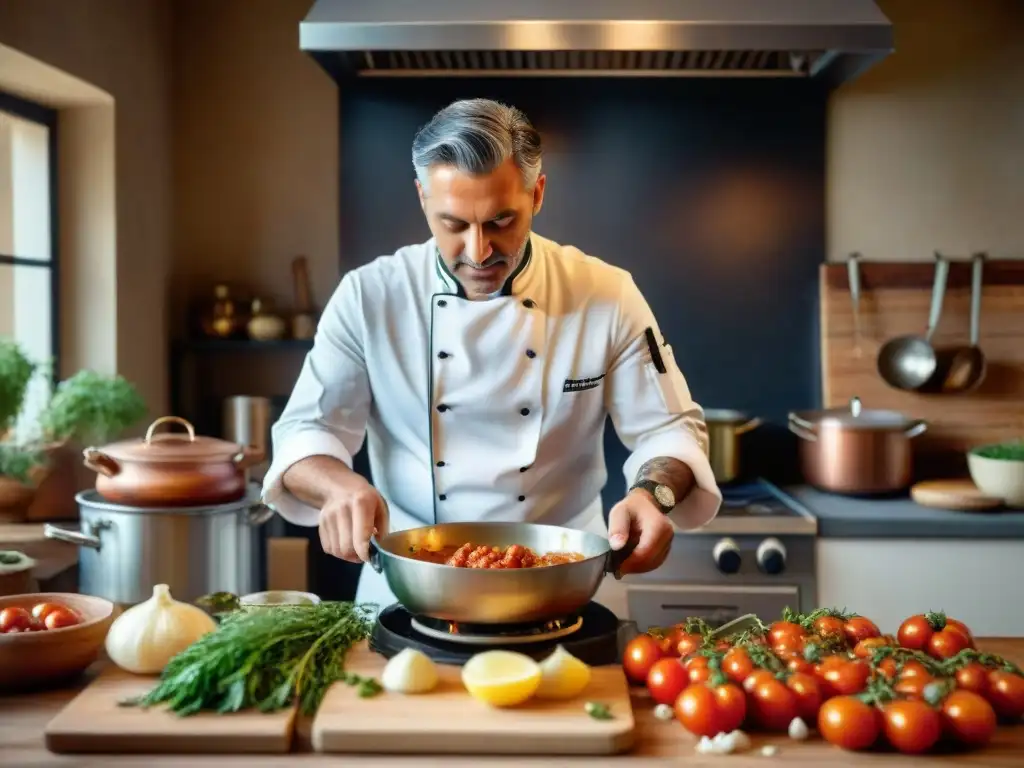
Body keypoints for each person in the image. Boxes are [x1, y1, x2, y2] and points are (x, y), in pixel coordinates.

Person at [262, 98, 722, 612]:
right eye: (454, 224)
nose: (479, 252)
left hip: (566, 580)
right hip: (411, 584)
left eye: (502, 221)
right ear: (421, 198)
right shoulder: (369, 297)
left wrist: (650, 497)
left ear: (538, 193)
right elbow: (305, 433)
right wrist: (339, 486)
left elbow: (670, 429)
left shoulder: (606, 294)